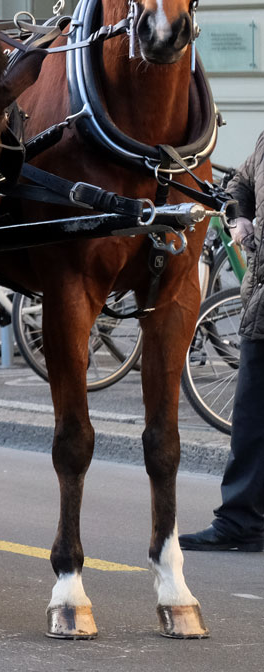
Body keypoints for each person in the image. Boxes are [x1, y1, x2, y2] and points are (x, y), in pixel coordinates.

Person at [180, 129, 264, 553]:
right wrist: (239, 216)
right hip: (260, 301)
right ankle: (241, 522)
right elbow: (241, 184)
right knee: (251, 422)